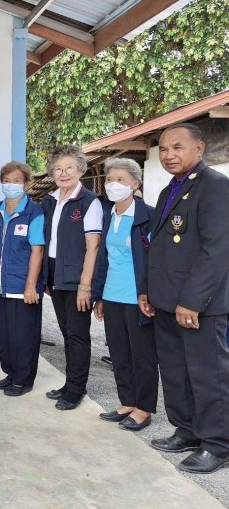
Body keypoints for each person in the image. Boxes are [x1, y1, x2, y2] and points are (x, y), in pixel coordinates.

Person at [139, 123, 229, 474]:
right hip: (165, 301)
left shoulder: (216, 188)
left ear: (200, 149)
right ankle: (188, 430)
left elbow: (217, 252)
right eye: (163, 149)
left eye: (178, 147)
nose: (168, 155)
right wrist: (148, 289)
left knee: (208, 375)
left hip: (198, 307)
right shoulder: (168, 191)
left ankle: (218, 444)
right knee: (176, 373)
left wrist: (192, 301)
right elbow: (157, 248)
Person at [92, 158, 157, 431]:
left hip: (139, 297)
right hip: (113, 293)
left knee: (141, 355)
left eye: (120, 180)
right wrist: (100, 295)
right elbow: (103, 258)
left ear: (135, 184)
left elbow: (155, 260)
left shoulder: (149, 216)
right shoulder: (110, 215)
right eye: (109, 179)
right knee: (118, 351)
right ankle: (127, 401)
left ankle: (144, 408)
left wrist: (151, 294)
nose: (113, 185)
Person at [42, 145, 102, 411]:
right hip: (55, 273)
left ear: (80, 170)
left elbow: (94, 247)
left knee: (78, 335)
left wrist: (85, 286)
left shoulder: (89, 202)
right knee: (66, 332)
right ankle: (69, 383)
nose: (63, 173)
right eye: (58, 169)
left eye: (69, 168)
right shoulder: (51, 200)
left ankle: (76, 390)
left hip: (78, 278)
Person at [0, 161, 45, 397]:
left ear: (27, 184)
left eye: (17, 181)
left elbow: (37, 250)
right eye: (7, 181)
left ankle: (23, 379)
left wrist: (31, 285)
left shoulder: (34, 213)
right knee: (7, 332)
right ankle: (10, 372)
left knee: (24, 335)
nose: (11, 186)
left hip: (24, 286)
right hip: (2, 283)